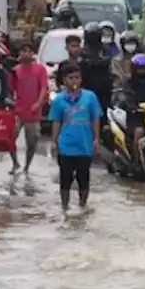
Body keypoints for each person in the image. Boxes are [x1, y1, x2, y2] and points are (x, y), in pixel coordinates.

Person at [48, 64, 102, 213]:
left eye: (77, 77)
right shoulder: (59, 100)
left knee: (83, 179)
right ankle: (64, 208)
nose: (74, 81)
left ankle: (82, 206)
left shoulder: (90, 97)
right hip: (65, 145)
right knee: (65, 179)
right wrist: (54, 141)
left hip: (84, 145)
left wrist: (97, 139)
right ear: (64, 80)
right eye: (70, 78)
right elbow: (56, 121)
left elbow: (95, 119)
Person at [10, 42, 49, 175]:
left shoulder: (40, 69)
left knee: (32, 142)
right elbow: (11, 89)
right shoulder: (15, 70)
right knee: (10, 138)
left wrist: (38, 103)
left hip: (33, 111)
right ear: (19, 53)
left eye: (29, 51)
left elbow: (44, 87)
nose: (26, 53)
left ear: (33, 53)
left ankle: (27, 166)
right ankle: (15, 163)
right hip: (18, 110)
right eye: (23, 50)